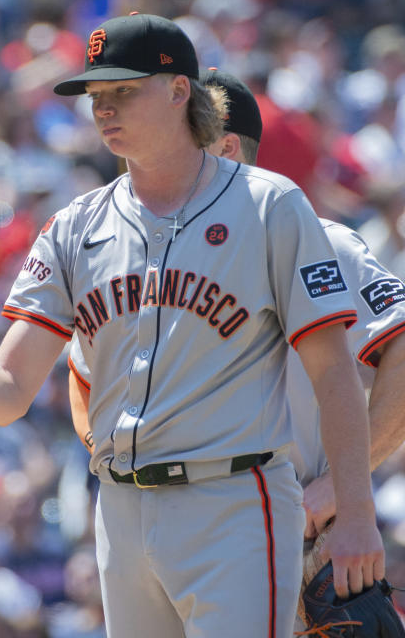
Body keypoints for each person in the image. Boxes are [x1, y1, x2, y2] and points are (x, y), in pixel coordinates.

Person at [0, 14, 384, 638]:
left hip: (234, 500)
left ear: (178, 90)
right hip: (120, 507)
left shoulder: (269, 205)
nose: (103, 109)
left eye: (123, 91)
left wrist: (356, 511)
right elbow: (7, 390)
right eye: (96, 97)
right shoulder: (74, 226)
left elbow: (335, 373)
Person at [69, 65, 405, 629]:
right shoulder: (138, 257)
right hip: (180, 531)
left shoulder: (325, 241)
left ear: (224, 146)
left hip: (299, 542)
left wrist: (339, 491)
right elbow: (84, 379)